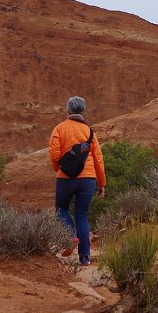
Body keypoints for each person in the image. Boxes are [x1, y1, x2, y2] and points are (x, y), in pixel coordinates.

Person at [49, 95, 106, 265]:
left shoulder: (59, 128)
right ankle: (85, 258)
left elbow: (54, 153)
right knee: (82, 215)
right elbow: (98, 158)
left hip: (66, 177)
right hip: (88, 178)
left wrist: (59, 168)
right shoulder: (90, 132)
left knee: (61, 209)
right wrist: (101, 183)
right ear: (83, 110)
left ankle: (70, 237)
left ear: (68, 109)